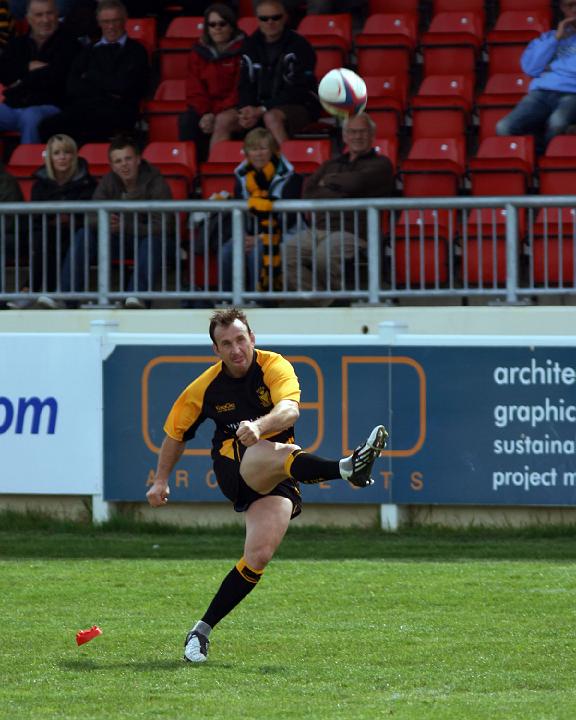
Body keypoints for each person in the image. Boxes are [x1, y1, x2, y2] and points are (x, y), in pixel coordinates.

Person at [146, 307, 388, 663]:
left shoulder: (274, 365)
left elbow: (290, 410)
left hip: (276, 469)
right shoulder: (204, 388)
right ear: (216, 351)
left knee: (257, 558)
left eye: (240, 339)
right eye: (225, 344)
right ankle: (348, 468)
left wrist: (259, 426)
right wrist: (161, 479)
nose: (235, 349)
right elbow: (175, 434)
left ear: (252, 338)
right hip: (234, 468)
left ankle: (201, 631)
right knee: (280, 452)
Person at [284, 112, 394, 305]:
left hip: (354, 231)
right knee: (287, 253)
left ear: (372, 136)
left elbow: (357, 182)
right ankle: (328, 303)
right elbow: (309, 192)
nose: (357, 136)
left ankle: (336, 300)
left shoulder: (381, 164)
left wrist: (328, 184)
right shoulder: (330, 164)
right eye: (352, 132)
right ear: (344, 136)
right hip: (318, 229)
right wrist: (343, 189)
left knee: (323, 256)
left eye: (362, 132)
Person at [61, 135, 173, 309]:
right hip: (117, 240)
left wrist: (126, 226)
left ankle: (135, 297)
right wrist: (103, 221)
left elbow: (163, 226)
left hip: (149, 242)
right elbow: (91, 216)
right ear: (112, 166)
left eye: (128, 159)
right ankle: (66, 296)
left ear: (138, 159)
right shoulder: (108, 181)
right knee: (84, 234)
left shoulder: (156, 181)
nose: (124, 165)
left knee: (152, 242)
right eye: (118, 161)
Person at [39, 0, 150, 145]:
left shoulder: (136, 51)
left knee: (89, 124)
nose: (110, 27)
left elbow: (126, 87)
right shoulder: (87, 51)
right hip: (84, 108)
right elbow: (72, 87)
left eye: (115, 21)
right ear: (98, 23)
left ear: (124, 21)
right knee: (47, 126)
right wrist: (107, 85)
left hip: (120, 111)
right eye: (105, 22)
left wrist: (91, 76)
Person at [218, 0, 321, 147]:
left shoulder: (300, 45)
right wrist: (246, 109)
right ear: (257, 20)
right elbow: (245, 83)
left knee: (271, 117)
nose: (270, 22)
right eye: (264, 18)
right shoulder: (250, 44)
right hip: (258, 107)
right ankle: (219, 167)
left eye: (276, 17)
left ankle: (288, 167)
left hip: (299, 106)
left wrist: (262, 109)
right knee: (223, 120)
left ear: (285, 17)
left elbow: (298, 90)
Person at [221, 127, 302, 293]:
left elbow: (290, 218)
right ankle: (228, 301)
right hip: (251, 234)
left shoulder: (292, 177)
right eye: (253, 149)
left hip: (287, 233)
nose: (258, 154)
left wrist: (261, 237)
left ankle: (259, 302)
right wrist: (243, 236)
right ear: (247, 153)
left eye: (263, 148)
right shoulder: (241, 177)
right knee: (228, 249)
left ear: (272, 151)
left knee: (259, 251)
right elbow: (239, 211)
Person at [26, 133, 96, 309]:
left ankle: (33, 289)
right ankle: (39, 290)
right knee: (45, 237)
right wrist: (53, 220)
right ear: (50, 157)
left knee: (63, 238)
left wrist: (70, 219)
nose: (62, 157)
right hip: (48, 233)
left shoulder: (88, 183)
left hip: (77, 233)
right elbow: (34, 217)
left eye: (67, 152)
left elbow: (91, 216)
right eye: (57, 153)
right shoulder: (40, 184)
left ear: (74, 155)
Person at [496, 0, 576, 154]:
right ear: (562, 9)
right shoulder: (548, 38)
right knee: (504, 127)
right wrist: (556, 39)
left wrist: (552, 66)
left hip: (572, 93)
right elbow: (531, 69)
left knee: (557, 123)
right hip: (541, 93)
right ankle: (538, 162)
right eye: (570, 5)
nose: (575, 10)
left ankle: (546, 165)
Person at [0, 0, 82, 143]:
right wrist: (27, 68)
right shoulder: (17, 44)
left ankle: (29, 165)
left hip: (51, 106)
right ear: (29, 19)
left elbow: (58, 79)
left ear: (57, 15)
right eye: (39, 15)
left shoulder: (71, 44)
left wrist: (21, 80)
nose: (45, 20)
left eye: (49, 13)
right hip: (15, 105)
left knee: (31, 116)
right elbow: (5, 75)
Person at [178, 3, 245, 163]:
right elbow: (195, 89)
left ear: (231, 26)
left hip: (233, 107)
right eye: (212, 24)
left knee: (223, 120)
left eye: (222, 24)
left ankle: (214, 170)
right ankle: (194, 173)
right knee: (187, 120)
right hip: (207, 108)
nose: (217, 28)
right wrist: (206, 113)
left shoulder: (244, 50)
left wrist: (215, 113)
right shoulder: (197, 52)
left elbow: (240, 88)